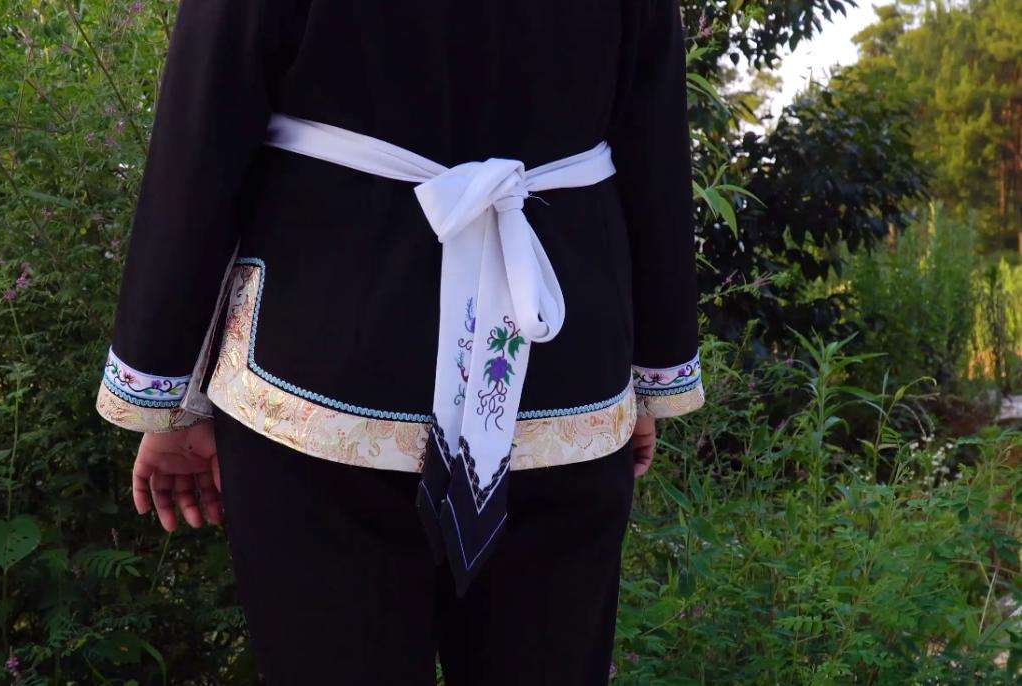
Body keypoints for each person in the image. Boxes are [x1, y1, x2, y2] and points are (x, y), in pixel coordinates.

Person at [95, 0, 705, 682]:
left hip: (321, 378)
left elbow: (202, 136)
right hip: (564, 374)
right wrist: (649, 376)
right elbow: (653, 147)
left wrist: (167, 398)